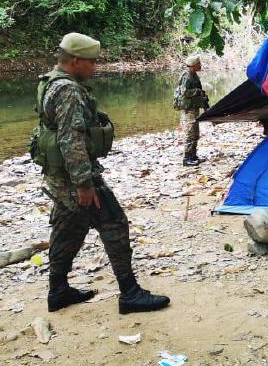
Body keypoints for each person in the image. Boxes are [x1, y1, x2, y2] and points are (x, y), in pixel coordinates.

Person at [30, 32, 170, 313]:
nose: (95, 67)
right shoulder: (67, 90)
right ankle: (129, 293)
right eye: (92, 62)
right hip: (74, 179)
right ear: (76, 60)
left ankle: (57, 291)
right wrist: (84, 184)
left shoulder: (51, 82)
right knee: (114, 222)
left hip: (60, 176)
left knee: (69, 227)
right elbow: (71, 139)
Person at [174, 54, 209, 166]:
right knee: (190, 133)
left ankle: (193, 156)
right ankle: (187, 159)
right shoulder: (187, 76)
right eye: (198, 64)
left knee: (195, 133)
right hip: (188, 110)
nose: (200, 65)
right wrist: (198, 92)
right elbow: (184, 92)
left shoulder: (193, 75)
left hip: (193, 108)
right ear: (193, 65)